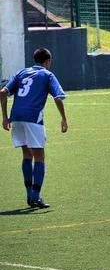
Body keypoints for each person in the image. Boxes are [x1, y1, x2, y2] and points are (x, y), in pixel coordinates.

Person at [1, 48, 68, 208]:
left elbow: (3, 91)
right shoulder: (47, 74)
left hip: (16, 117)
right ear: (47, 61)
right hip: (33, 117)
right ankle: (36, 197)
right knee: (39, 156)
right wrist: (64, 119)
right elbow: (58, 98)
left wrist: (4, 117)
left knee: (26, 154)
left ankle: (29, 194)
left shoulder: (21, 73)